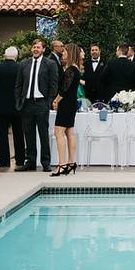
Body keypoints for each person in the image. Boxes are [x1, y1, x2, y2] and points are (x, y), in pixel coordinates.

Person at [14, 38, 59, 172]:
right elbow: (18, 85)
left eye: (38, 47)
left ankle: (46, 162)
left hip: (41, 103)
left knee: (43, 134)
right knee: (29, 134)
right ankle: (31, 162)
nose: (35, 49)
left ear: (43, 50)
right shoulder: (23, 64)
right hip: (26, 104)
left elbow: (53, 84)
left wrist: (49, 102)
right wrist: (18, 101)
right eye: (34, 47)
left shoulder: (50, 64)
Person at [0, 46, 25, 168]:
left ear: (5, 55)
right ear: (16, 56)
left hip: (0, 105)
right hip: (17, 105)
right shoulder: (20, 67)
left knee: (2, 133)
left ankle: (4, 161)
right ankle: (20, 159)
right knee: (18, 133)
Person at [51, 44, 82, 176]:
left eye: (64, 52)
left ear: (70, 53)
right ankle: (71, 163)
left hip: (66, 103)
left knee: (58, 132)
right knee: (70, 132)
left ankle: (62, 165)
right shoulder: (76, 69)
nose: (62, 54)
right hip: (72, 103)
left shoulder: (70, 70)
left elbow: (64, 89)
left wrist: (56, 100)